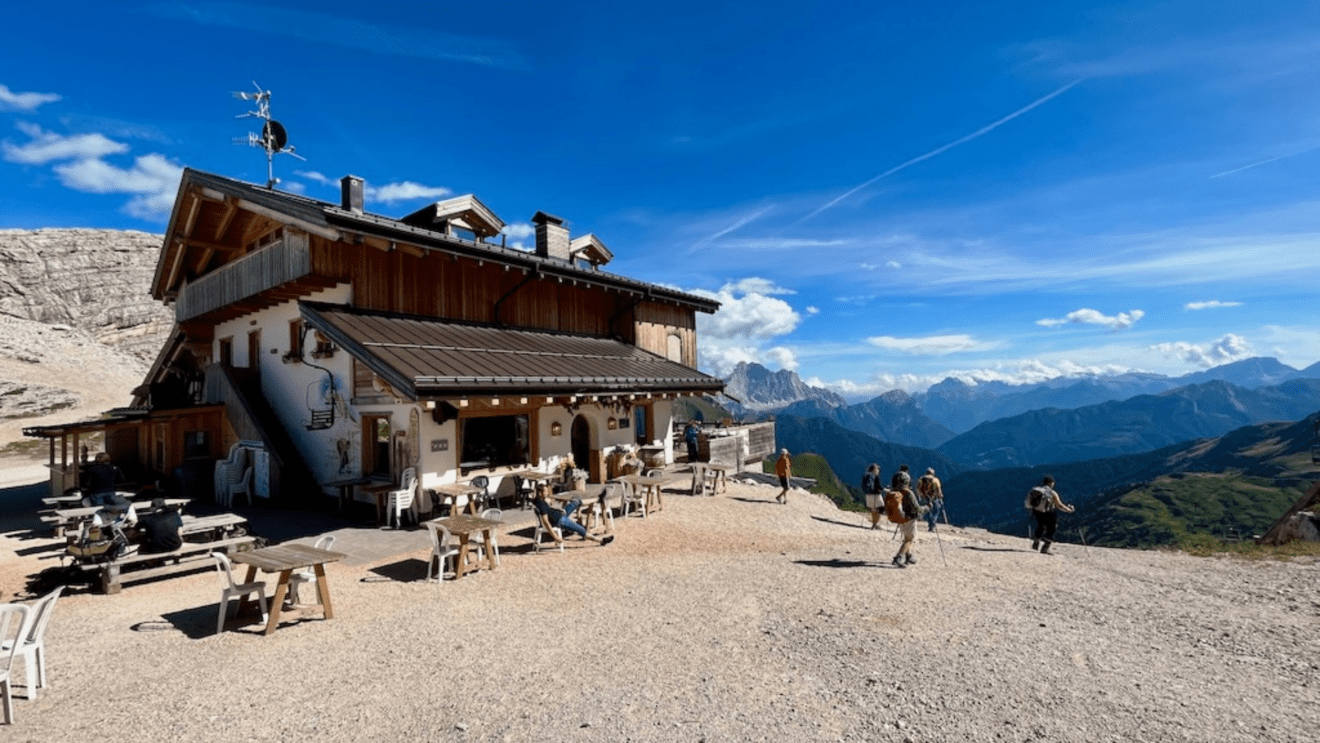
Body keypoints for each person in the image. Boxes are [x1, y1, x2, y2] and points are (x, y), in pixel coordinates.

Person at [531, 488, 614, 546]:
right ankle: (601, 541)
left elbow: (549, 510)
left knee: (576, 502)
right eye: (545, 491)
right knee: (581, 529)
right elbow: (546, 522)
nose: (547, 493)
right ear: (540, 493)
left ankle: (598, 499)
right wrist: (555, 537)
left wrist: (558, 510)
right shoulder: (541, 504)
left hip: (560, 515)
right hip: (560, 521)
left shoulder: (538, 500)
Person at [1026, 475, 1074, 555]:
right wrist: (1069, 510)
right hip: (1047, 512)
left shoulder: (1036, 490)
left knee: (1040, 525)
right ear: (1051, 483)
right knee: (1052, 529)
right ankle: (1045, 547)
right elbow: (1059, 505)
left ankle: (1036, 541)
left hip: (1036, 511)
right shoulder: (1052, 493)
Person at [885, 475, 924, 567]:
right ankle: (899, 556)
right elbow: (917, 508)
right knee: (909, 539)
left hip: (900, 518)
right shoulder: (908, 492)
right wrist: (928, 507)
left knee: (907, 538)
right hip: (909, 518)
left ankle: (908, 556)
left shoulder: (895, 491)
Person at [918, 467, 944, 532]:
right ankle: (933, 523)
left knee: (929, 511)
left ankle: (930, 524)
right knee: (936, 510)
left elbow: (918, 488)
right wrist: (940, 495)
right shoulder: (935, 480)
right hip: (934, 497)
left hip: (925, 497)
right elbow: (938, 489)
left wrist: (920, 495)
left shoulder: (921, 479)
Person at [861, 464, 885, 530]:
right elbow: (878, 487)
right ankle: (875, 524)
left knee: (873, 510)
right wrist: (884, 489)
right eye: (877, 469)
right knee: (880, 508)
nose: (878, 470)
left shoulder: (866, 475)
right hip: (875, 495)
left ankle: (874, 524)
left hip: (868, 494)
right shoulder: (875, 476)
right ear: (874, 469)